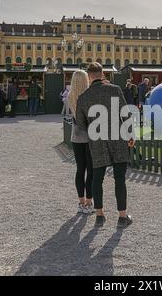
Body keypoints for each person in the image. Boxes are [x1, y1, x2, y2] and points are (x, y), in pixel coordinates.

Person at [76, 62, 134, 228]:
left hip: (97, 141)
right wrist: (130, 135)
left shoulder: (83, 97)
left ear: (89, 76)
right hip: (118, 139)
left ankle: (99, 214)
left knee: (97, 179)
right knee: (119, 179)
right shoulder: (115, 89)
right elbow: (126, 114)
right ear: (102, 74)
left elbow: (80, 124)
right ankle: (122, 216)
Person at [68, 70, 94, 215]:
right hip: (90, 137)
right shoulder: (89, 95)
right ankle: (89, 202)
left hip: (76, 136)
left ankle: (81, 202)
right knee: (90, 171)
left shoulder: (70, 96)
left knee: (80, 170)